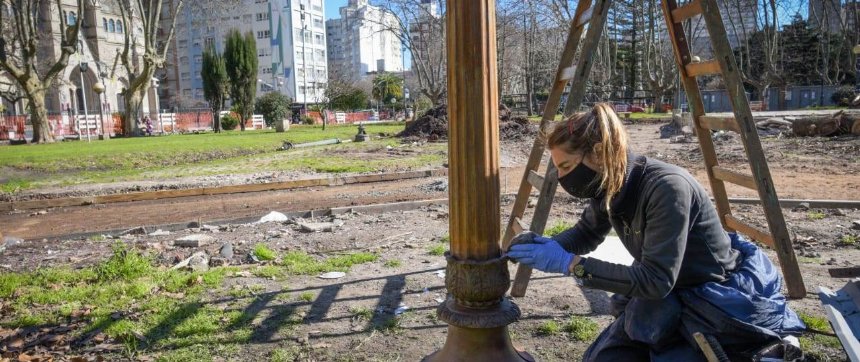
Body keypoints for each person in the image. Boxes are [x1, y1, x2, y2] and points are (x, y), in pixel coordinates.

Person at [506, 103, 805, 361]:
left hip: (711, 299)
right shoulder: (608, 183)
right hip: (667, 293)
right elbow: (587, 232)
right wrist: (547, 245)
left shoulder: (666, 189)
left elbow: (656, 280)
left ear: (598, 154)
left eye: (567, 166)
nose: (561, 178)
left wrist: (569, 264)